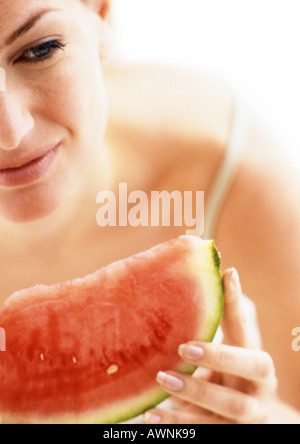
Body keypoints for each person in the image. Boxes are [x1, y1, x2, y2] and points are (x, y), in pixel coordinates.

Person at [0, 0, 300, 424]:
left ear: (100, 18)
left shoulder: (230, 170)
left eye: (40, 49)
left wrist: (269, 420)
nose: (11, 133)